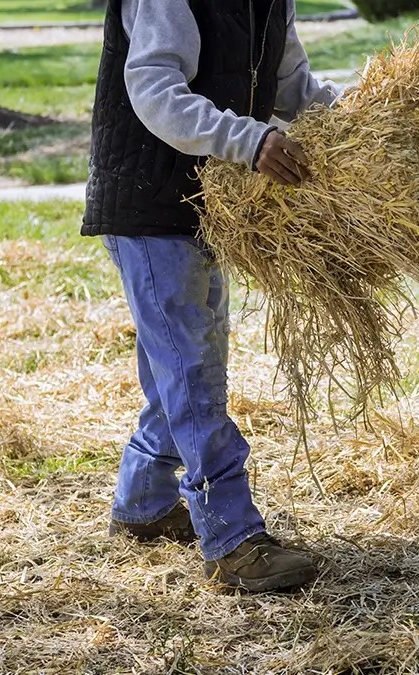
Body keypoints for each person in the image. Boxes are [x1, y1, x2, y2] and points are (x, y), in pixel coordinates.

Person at [81, 0, 341, 592]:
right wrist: (247, 141)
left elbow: (292, 86)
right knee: (193, 372)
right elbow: (152, 85)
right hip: (149, 201)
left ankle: (143, 504)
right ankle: (231, 541)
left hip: (207, 205)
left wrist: (361, 122)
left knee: (187, 365)